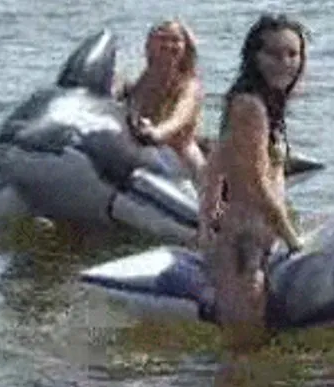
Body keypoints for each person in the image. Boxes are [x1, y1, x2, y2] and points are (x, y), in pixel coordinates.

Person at [197, 13, 308, 351]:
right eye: (274, 54)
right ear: (254, 56)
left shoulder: (255, 101)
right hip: (246, 246)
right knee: (244, 345)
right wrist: (294, 242)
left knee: (254, 348)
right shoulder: (251, 106)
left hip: (251, 234)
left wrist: (207, 218)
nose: (285, 63)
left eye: (293, 54)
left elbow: (216, 161)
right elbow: (259, 184)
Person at [115, 20, 207, 187]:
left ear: (186, 47)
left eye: (176, 40)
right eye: (162, 38)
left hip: (181, 163)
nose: (168, 44)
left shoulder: (189, 85)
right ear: (149, 45)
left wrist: (158, 133)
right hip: (143, 156)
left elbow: (179, 117)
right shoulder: (137, 81)